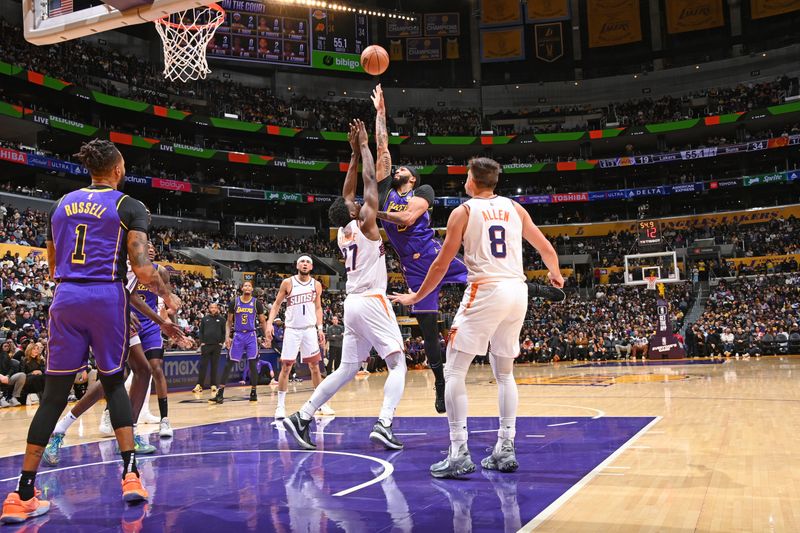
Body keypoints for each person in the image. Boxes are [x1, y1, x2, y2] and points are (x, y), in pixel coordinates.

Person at [1, 139, 176, 524]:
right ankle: (130, 475)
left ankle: (22, 493)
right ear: (116, 170)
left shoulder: (59, 205)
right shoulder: (129, 205)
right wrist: (168, 295)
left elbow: (50, 267)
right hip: (105, 297)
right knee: (114, 381)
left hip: (65, 298)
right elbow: (144, 270)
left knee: (52, 395)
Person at [390, 156, 563, 479]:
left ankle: (458, 451)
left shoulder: (464, 211)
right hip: (517, 291)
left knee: (454, 370)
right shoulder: (515, 208)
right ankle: (505, 447)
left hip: (485, 290)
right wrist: (554, 274)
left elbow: (440, 265)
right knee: (504, 374)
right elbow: (545, 247)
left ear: (472, 180)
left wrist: (416, 296)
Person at [283, 119, 407, 451]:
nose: (358, 201)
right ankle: (384, 423)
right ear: (355, 211)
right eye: (356, 203)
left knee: (348, 368)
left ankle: (303, 416)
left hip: (352, 304)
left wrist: (351, 154)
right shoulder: (366, 224)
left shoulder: (342, 231)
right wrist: (364, 146)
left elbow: (346, 192)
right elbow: (367, 181)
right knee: (398, 363)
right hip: (370, 300)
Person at [371, 84, 467, 413]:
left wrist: (373, 213)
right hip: (413, 268)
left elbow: (407, 218)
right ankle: (440, 382)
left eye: (403, 170)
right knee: (428, 328)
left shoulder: (422, 191)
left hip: (436, 255)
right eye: (398, 169)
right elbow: (382, 148)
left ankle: (536, 287)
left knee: (489, 276)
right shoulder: (385, 192)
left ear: (413, 178)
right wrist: (381, 113)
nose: (399, 169)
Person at [42, 248, 185, 466]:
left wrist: (160, 321)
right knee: (112, 378)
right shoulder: (116, 250)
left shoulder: (138, 262)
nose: (150, 247)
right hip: (105, 313)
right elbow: (107, 286)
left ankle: (131, 433)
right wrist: (126, 311)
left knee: (141, 370)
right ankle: (59, 431)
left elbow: (132, 295)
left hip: (121, 315)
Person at [266, 256, 331, 419]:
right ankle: (280, 406)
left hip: (309, 330)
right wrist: (269, 323)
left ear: (311, 266)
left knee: (315, 367)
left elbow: (318, 308)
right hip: (292, 330)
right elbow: (276, 305)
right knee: (286, 367)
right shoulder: (288, 283)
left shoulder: (316, 285)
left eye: (307, 262)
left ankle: (320, 403)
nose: (304, 264)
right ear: (297, 265)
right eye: (302, 261)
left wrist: (320, 328)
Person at [208, 281, 269, 404]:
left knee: (253, 364)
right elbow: (229, 322)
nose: (247, 287)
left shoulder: (256, 303)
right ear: (242, 288)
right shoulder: (234, 302)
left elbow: (262, 321)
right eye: (245, 285)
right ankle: (220, 393)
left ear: (252, 289)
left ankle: (253, 391)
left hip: (251, 335)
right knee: (229, 364)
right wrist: (227, 336)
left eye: (249, 286)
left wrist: (267, 336)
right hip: (238, 335)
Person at [193, 302, 225, 393]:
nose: (213, 309)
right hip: (206, 345)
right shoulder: (204, 319)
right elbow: (201, 332)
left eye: (215, 307)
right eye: (211, 307)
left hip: (216, 346)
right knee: (203, 366)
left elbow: (224, 332)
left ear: (217, 308)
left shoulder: (222, 319)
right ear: (209, 309)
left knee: (214, 366)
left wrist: (221, 343)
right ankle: (199, 385)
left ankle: (213, 384)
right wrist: (202, 342)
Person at [0, 341, 25, 407]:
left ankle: (13, 398)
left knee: (22, 375)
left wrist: (8, 375)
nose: (7, 347)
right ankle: (1, 398)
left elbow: (12, 368)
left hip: (7, 378)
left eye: (8, 346)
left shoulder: (5, 355)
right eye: (5, 346)